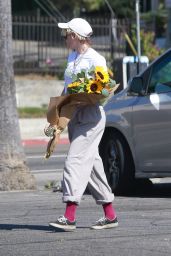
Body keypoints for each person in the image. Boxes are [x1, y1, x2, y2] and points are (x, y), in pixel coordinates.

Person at [49, 18, 118, 231]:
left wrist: (91, 93)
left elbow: (104, 89)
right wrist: (57, 115)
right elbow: (69, 88)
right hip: (75, 116)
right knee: (92, 165)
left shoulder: (95, 59)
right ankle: (110, 215)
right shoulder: (73, 57)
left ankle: (69, 215)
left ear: (76, 36)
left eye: (66, 35)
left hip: (91, 118)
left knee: (75, 161)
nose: (64, 39)